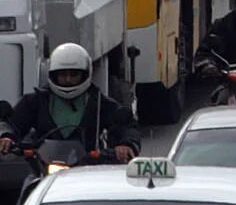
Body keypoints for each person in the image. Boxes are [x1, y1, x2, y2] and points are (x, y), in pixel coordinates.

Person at [0, 42, 137, 162]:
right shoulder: (35, 101)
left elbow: (125, 125)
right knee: (29, 188)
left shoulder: (100, 102)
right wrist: (6, 137)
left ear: (85, 74)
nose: (68, 80)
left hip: (88, 169)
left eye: (73, 75)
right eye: (63, 75)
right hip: (43, 169)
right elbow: (13, 123)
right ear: (53, 74)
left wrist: (126, 144)